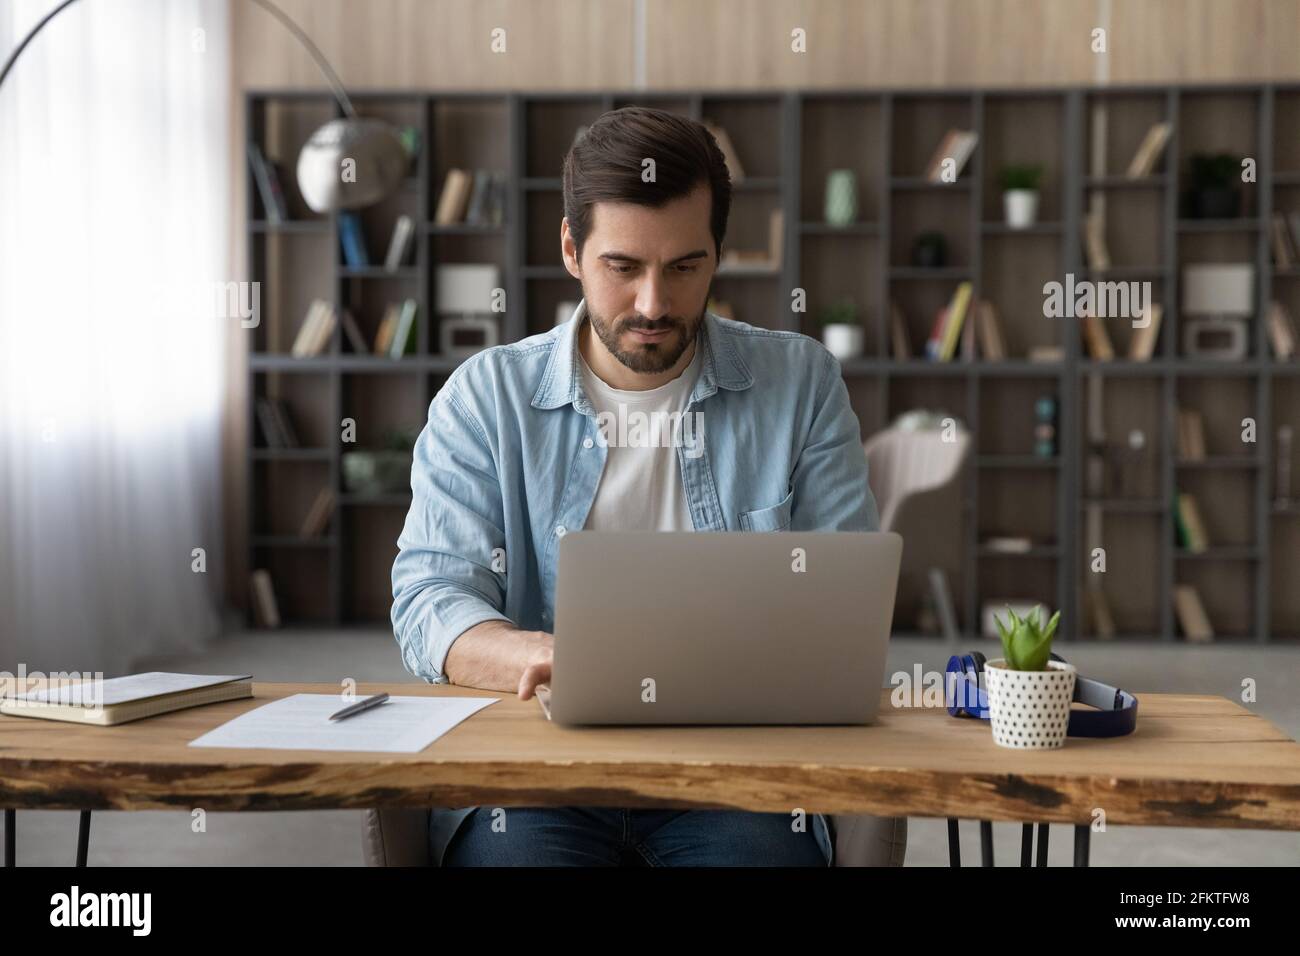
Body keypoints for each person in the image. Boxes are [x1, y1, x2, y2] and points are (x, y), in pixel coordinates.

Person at [391, 106, 880, 866]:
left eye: (685, 266)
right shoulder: (484, 398)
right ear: (570, 249)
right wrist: (543, 658)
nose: (654, 304)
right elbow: (430, 599)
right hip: (534, 777)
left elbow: (846, 604)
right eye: (623, 267)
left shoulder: (802, 385)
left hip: (737, 779)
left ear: (719, 254)